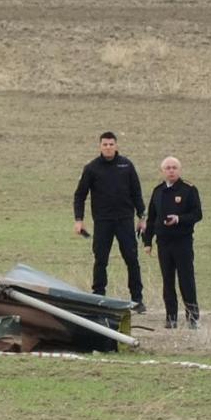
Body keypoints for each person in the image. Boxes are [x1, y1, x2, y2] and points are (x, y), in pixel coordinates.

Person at [73, 131, 147, 312]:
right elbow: (80, 195)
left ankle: (137, 299)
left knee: (131, 259)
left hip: (125, 220)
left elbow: (136, 192)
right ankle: (98, 298)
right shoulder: (91, 168)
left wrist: (142, 217)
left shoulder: (126, 165)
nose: (108, 147)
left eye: (111, 144)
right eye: (105, 144)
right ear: (100, 146)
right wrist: (79, 220)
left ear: (116, 146)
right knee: (100, 260)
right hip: (103, 221)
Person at [142, 157, 203, 329]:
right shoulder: (158, 191)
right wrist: (148, 242)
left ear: (180, 170)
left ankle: (192, 318)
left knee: (186, 280)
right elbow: (152, 218)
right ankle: (171, 318)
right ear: (162, 171)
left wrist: (179, 219)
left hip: (182, 242)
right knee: (167, 281)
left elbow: (197, 214)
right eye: (168, 168)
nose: (171, 171)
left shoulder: (189, 190)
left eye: (174, 167)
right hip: (163, 243)